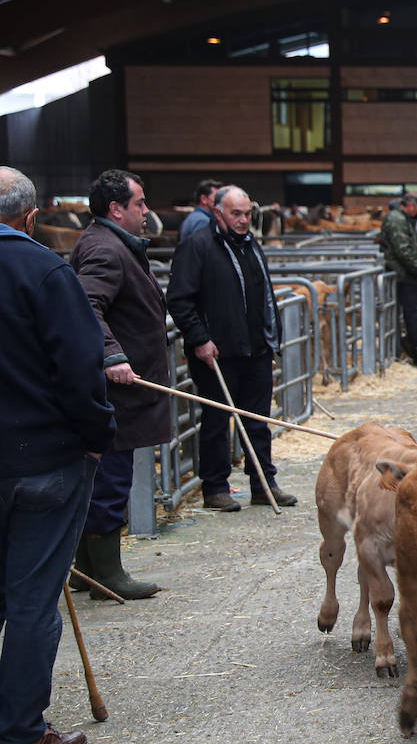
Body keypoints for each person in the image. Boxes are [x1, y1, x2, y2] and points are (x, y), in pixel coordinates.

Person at [0, 166, 115, 744]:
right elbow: (79, 366)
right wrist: (97, 437)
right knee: (32, 598)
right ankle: (20, 734)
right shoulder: (43, 270)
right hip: (43, 459)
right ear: (30, 216)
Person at [166, 185, 298, 512]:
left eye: (247, 214)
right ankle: (215, 487)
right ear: (218, 213)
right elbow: (179, 300)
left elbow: (264, 295)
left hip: (256, 349)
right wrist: (199, 339)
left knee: (257, 420)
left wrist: (270, 339)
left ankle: (263, 484)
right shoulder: (197, 246)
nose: (243, 220)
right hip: (217, 352)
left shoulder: (252, 245)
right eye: (235, 213)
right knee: (216, 421)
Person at [69, 169, 168, 600]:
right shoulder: (105, 249)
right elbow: (86, 305)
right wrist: (112, 355)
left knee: (102, 477)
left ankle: (85, 570)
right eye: (140, 203)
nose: (146, 211)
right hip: (116, 392)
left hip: (122, 387)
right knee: (110, 479)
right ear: (116, 209)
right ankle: (106, 573)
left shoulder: (109, 242)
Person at [377, 193, 417, 367]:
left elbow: (407, 247)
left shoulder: (402, 219)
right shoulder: (397, 220)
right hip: (406, 274)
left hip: (407, 273)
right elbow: (403, 250)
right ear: (411, 205)